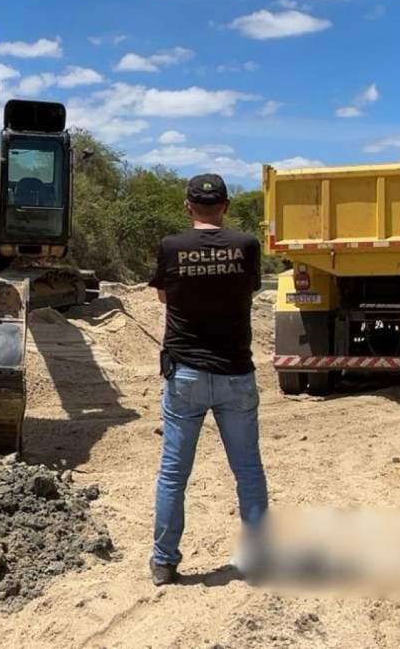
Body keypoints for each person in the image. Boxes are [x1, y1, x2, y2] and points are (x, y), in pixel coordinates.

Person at [146, 173, 269, 586]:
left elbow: (165, 296)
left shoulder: (171, 247)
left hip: (185, 375)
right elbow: (247, 291)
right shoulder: (247, 245)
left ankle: (164, 562)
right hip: (235, 373)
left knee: (173, 474)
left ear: (187, 206)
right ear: (226, 206)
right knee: (248, 470)